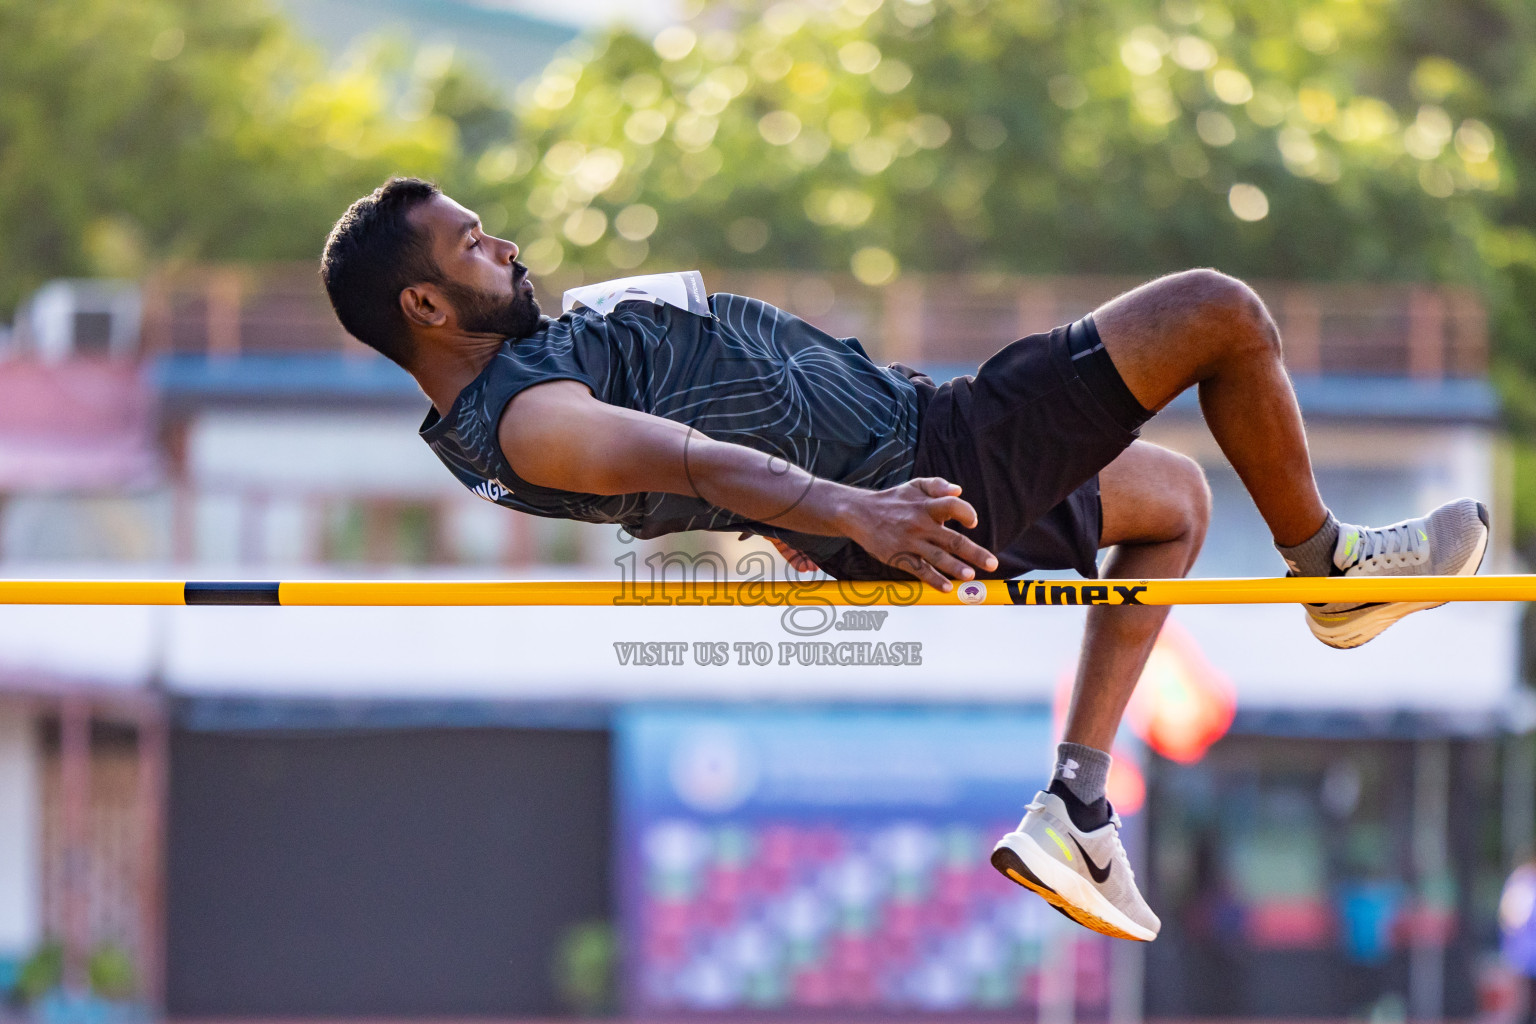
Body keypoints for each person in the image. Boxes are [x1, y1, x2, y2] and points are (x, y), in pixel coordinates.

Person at [319, 177, 1488, 943]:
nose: (506, 243)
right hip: (924, 457)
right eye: (476, 244)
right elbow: (694, 458)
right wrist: (849, 511)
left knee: (1170, 500)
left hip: (900, 462)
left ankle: (1077, 804)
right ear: (425, 301)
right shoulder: (526, 419)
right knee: (1216, 310)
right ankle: (1331, 572)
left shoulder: (519, 374)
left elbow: (701, 465)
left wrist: (822, 519)